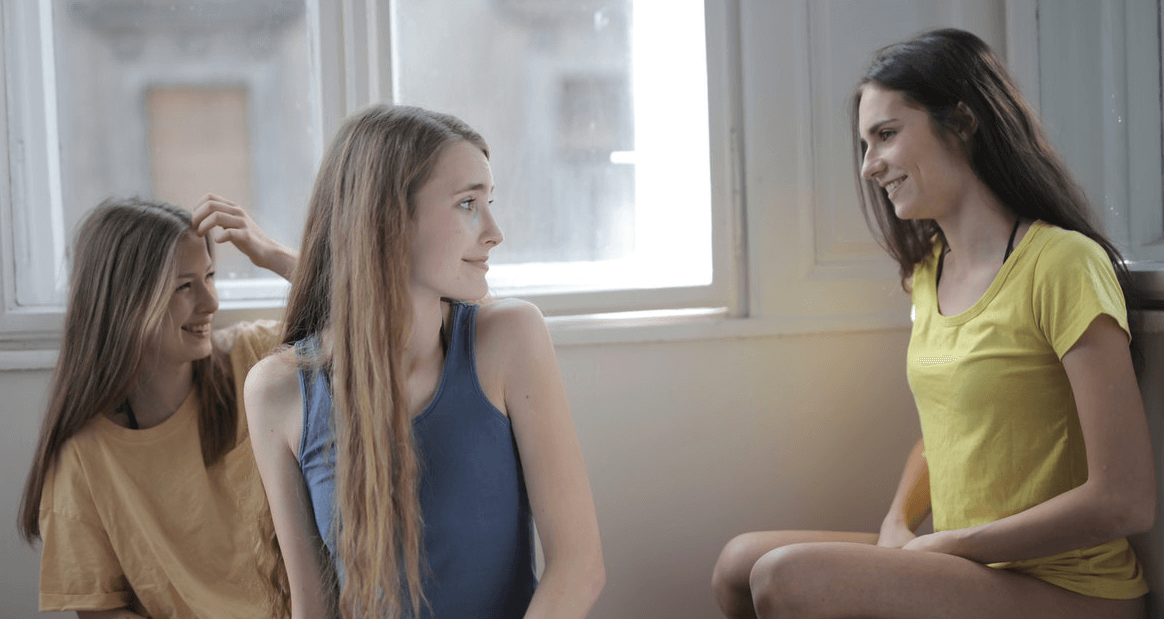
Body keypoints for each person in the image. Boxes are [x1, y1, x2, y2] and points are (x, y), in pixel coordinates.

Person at [711, 28, 1156, 619]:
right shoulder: (926, 273)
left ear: (963, 122)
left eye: (886, 135)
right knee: (739, 563)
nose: (869, 166)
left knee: (783, 578)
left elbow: (1125, 500)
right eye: (864, 144)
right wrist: (898, 522)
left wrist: (951, 544)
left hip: (1069, 589)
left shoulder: (1063, 264)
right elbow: (944, 432)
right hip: (962, 562)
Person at [244, 104, 605, 619]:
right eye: (466, 204)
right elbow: (314, 607)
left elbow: (579, 568)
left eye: (489, 201)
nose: (494, 231)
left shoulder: (510, 339)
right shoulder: (275, 391)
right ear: (388, 220)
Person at [17, 194, 297, 618]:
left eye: (210, 276)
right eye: (184, 286)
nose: (211, 302)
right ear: (124, 306)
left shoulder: (254, 358)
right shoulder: (83, 457)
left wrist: (274, 255)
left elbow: (380, 321)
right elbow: (101, 611)